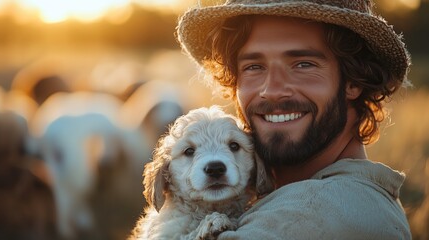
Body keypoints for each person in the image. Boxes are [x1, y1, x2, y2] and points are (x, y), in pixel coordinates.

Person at [176, 0, 412, 239]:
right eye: (254, 66)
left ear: (354, 80)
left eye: (303, 64)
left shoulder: (312, 214)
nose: (273, 89)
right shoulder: (353, 196)